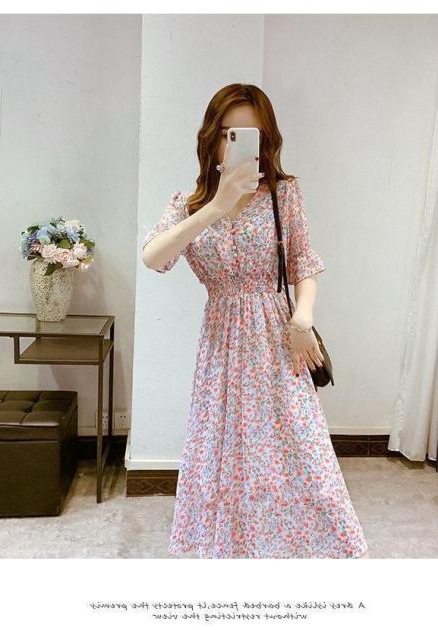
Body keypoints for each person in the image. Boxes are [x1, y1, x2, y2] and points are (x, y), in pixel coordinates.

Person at [142, 83, 369, 559]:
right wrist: (217, 205)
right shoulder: (188, 205)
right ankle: (234, 553)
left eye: (252, 135)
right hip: (221, 346)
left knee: (300, 450)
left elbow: (303, 262)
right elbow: (154, 258)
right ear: (211, 138)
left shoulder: (284, 194)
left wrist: (302, 319)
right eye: (229, 134)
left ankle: (309, 553)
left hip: (278, 338)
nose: (239, 145)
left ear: (267, 139)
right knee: (224, 454)